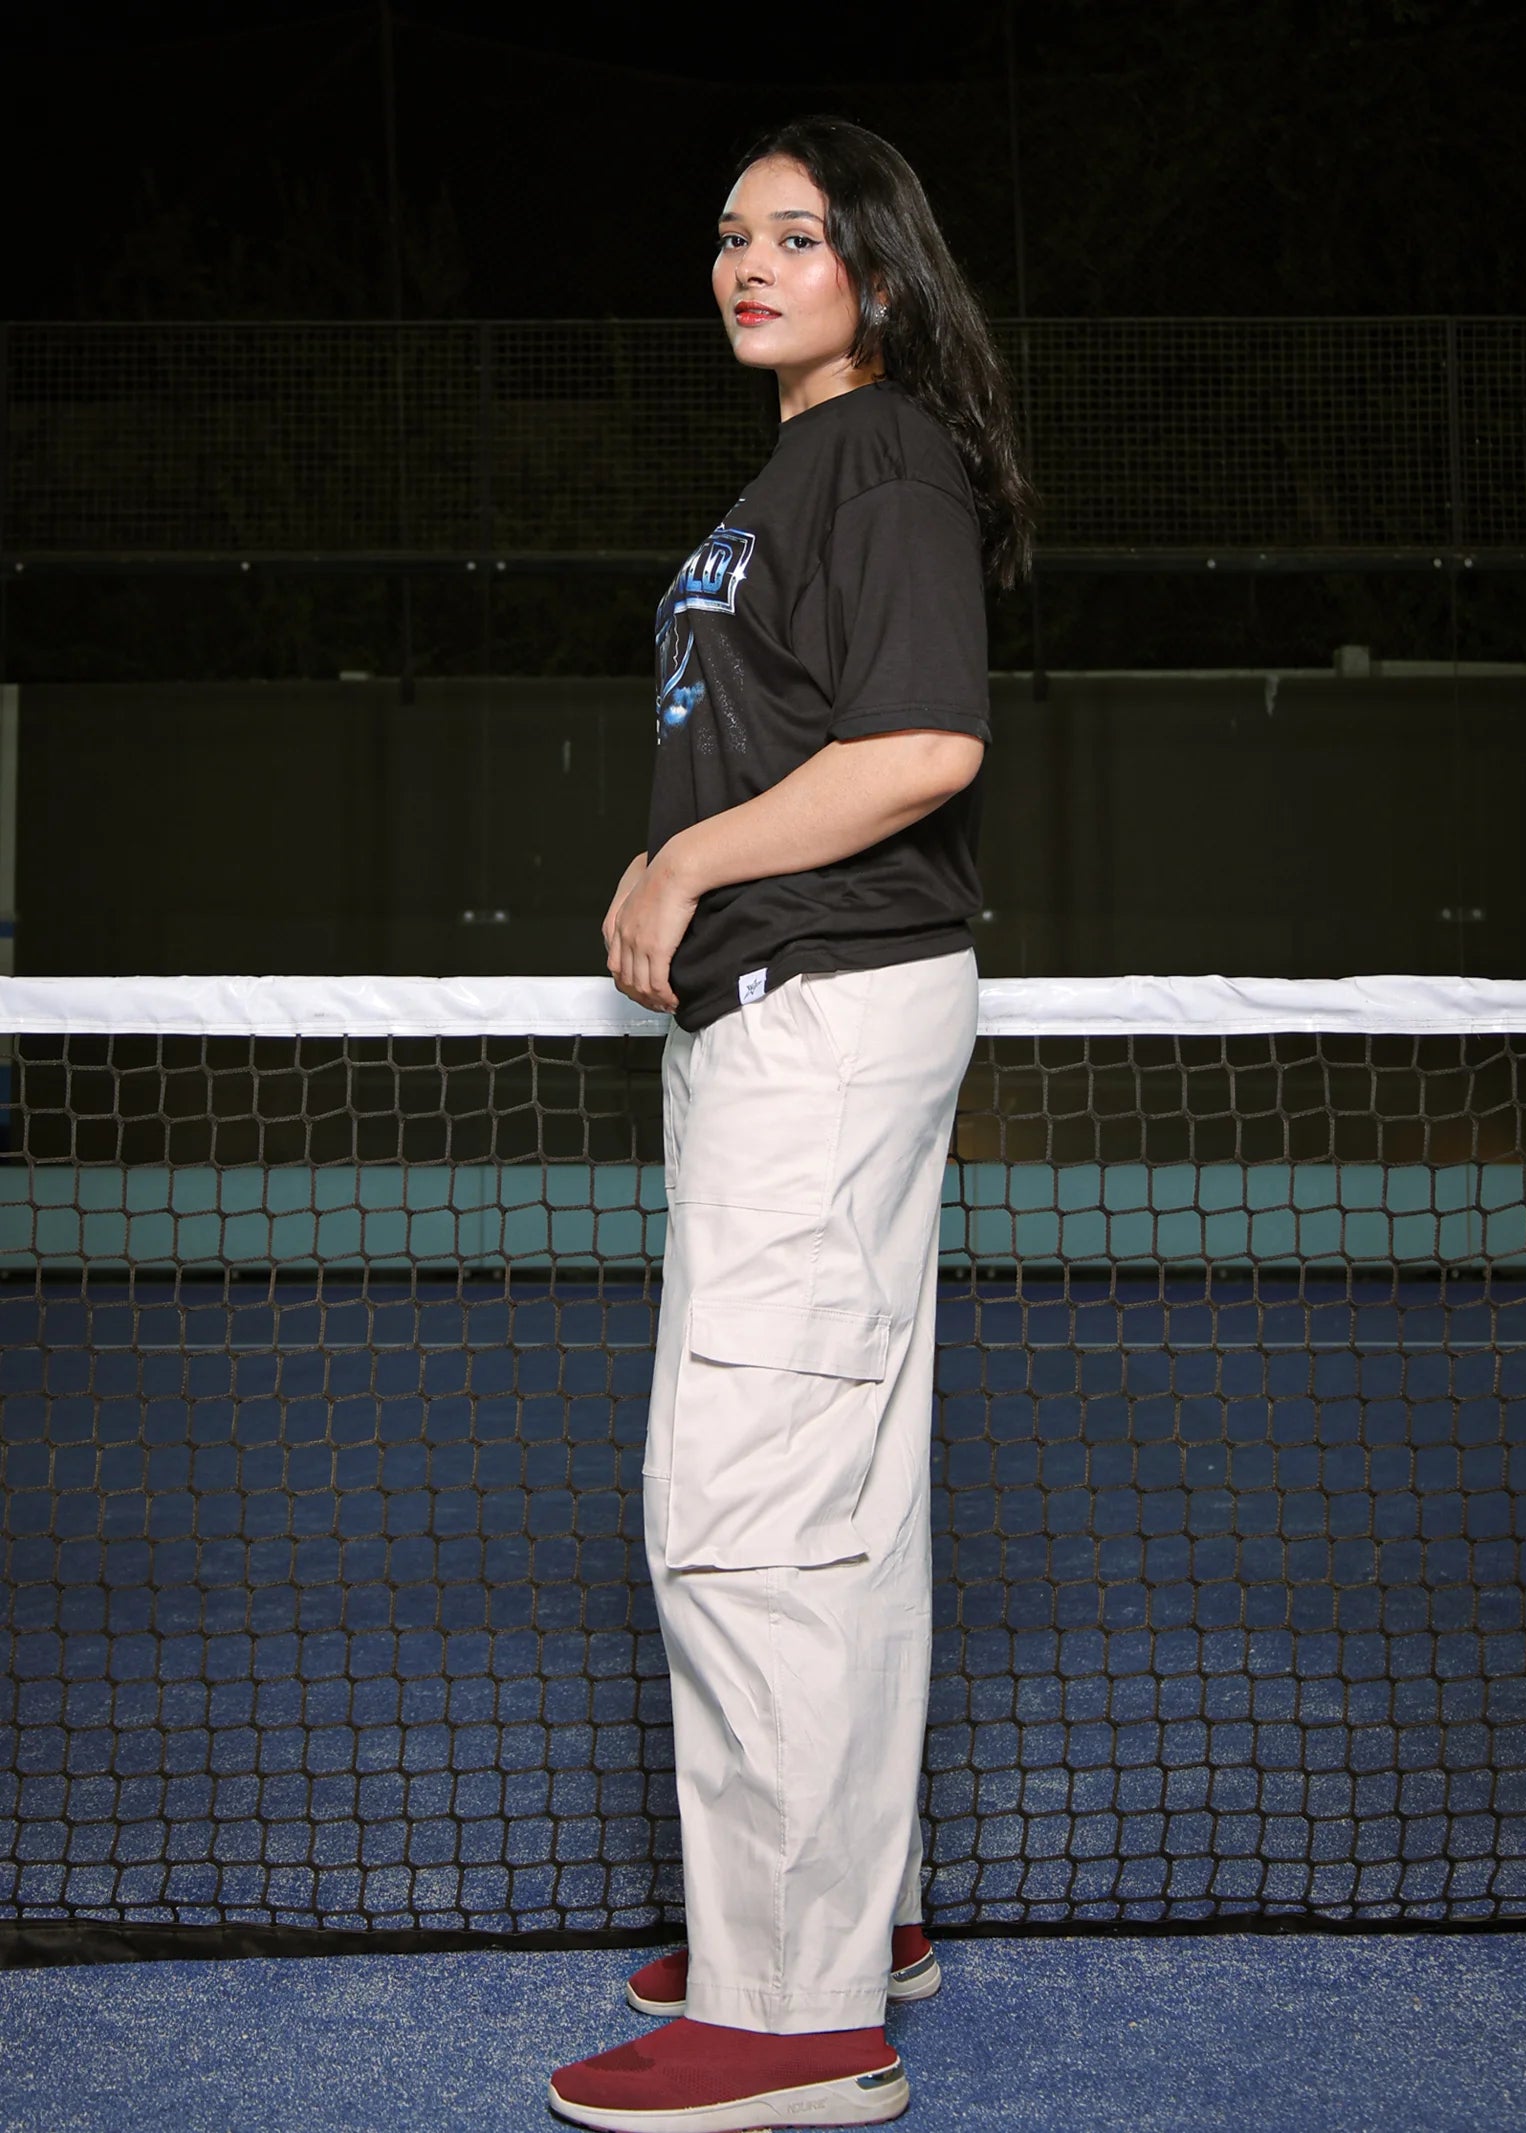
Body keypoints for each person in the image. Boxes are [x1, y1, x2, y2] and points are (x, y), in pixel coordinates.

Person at [547, 114, 1033, 2133]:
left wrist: (679, 866)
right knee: (835, 1487)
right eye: (729, 233)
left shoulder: (887, 450)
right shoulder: (800, 463)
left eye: (797, 235)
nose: (748, 262)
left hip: (824, 1014)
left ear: (881, 273)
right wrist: (684, 865)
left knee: (744, 1503)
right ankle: (845, 1916)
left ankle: (790, 2016)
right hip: (797, 1017)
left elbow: (922, 740)